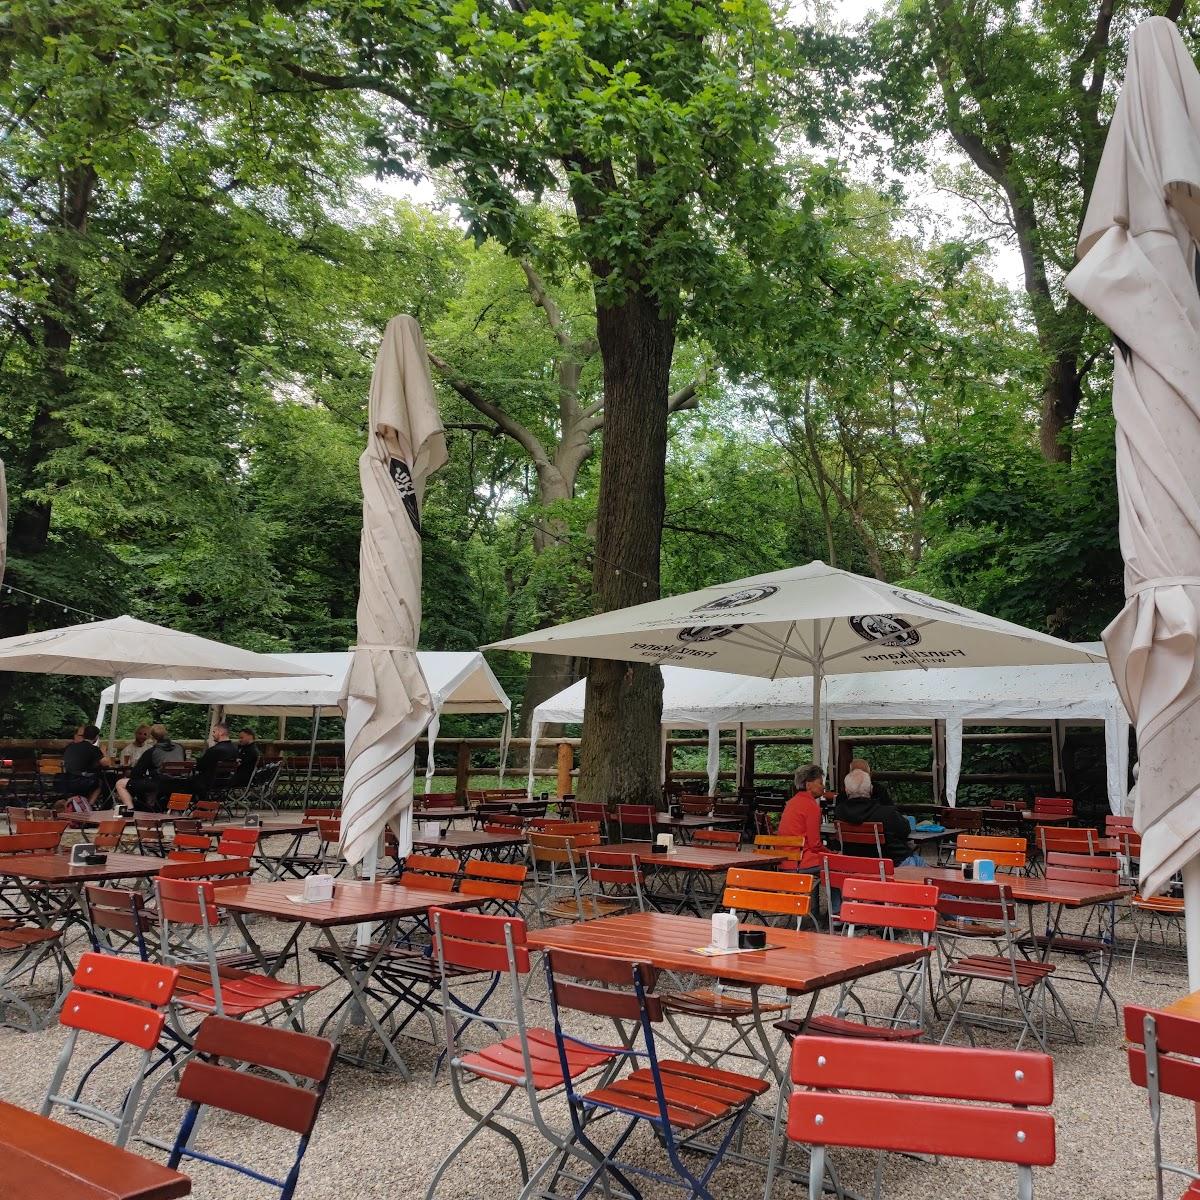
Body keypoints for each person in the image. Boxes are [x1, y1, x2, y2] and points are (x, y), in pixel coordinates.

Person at [835, 766, 923, 867]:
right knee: (926, 869)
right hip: (893, 864)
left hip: (857, 864)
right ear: (871, 789)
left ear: (846, 790)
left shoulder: (840, 813)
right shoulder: (886, 813)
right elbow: (905, 830)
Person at [116, 724, 186, 812]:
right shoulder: (180, 747)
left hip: (160, 784)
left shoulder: (152, 751)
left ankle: (131, 810)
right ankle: (173, 810)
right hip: (181, 783)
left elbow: (136, 773)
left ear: (152, 737)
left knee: (120, 783)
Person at [778, 765, 826, 874]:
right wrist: (831, 853)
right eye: (820, 783)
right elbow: (815, 844)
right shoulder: (811, 806)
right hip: (801, 861)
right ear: (808, 785)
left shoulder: (792, 802)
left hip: (784, 860)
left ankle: (813, 890)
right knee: (838, 865)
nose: (823, 787)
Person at [57, 725, 111, 808]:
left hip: (63, 780)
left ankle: (79, 805)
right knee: (101, 781)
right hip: (81, 782)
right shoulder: (93, 749)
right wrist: (104, 752)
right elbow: (106, 763)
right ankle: (89, 806)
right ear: (96, 737)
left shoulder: (70, 747)